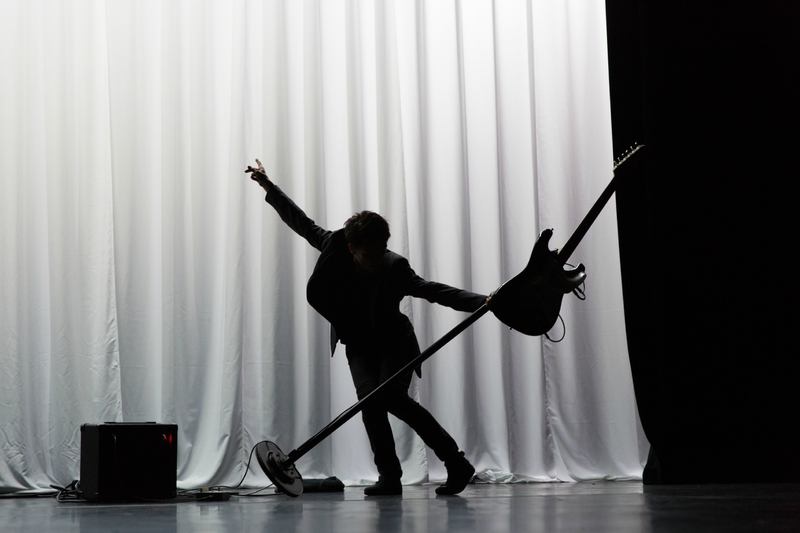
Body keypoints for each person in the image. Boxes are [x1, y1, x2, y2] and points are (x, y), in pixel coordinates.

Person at [246, 159, 486, 496]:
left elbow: (433, 290)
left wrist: (483, 301)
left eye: (382, 250)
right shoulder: (333, 246)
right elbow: (301, 222)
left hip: (394, 342)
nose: (378, 259)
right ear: (351, 248)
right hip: (359, 343)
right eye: (369, 255)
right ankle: (390, 477)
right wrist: (269, 187)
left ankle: (456, 462)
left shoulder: (395, 267)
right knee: (370, 405)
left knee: (392, 399)